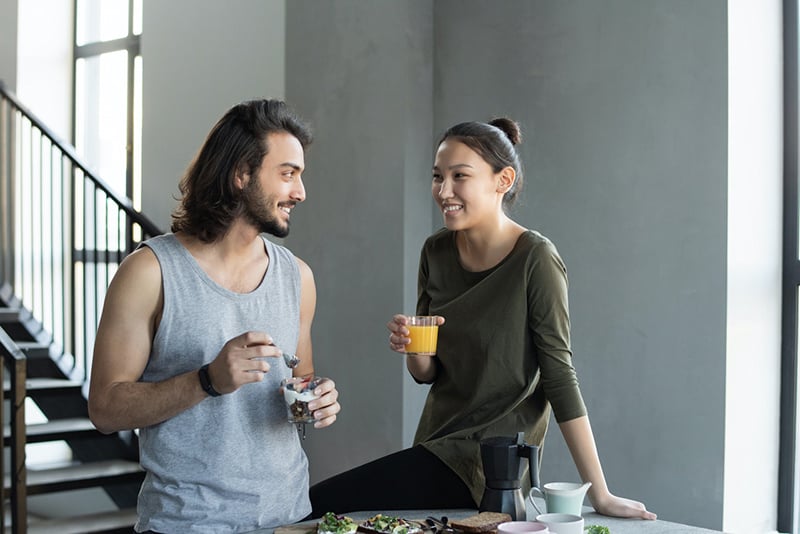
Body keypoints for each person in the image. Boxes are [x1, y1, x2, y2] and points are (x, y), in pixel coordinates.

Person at [309, 118, 655, 521]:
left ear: (502, 180)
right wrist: (412, 348)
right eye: (438, 177)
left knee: (315, 506)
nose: (444, 191)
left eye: (460, 177)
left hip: (492, 464)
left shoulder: (536, 260)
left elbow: (560, 377)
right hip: (436, 447)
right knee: (324, 513)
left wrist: (600, 493)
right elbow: (426, 373)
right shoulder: (435, 251)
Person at [88, 99, 341, 533]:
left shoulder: (298, 277)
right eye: (287, 174)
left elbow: (300, 378)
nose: (300, 192)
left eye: (300, 175)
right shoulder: (149, 272)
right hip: (186, 523)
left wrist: (318, 398)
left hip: (289, 517)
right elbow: (105, 408)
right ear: (241, 174)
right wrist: (206, 381)